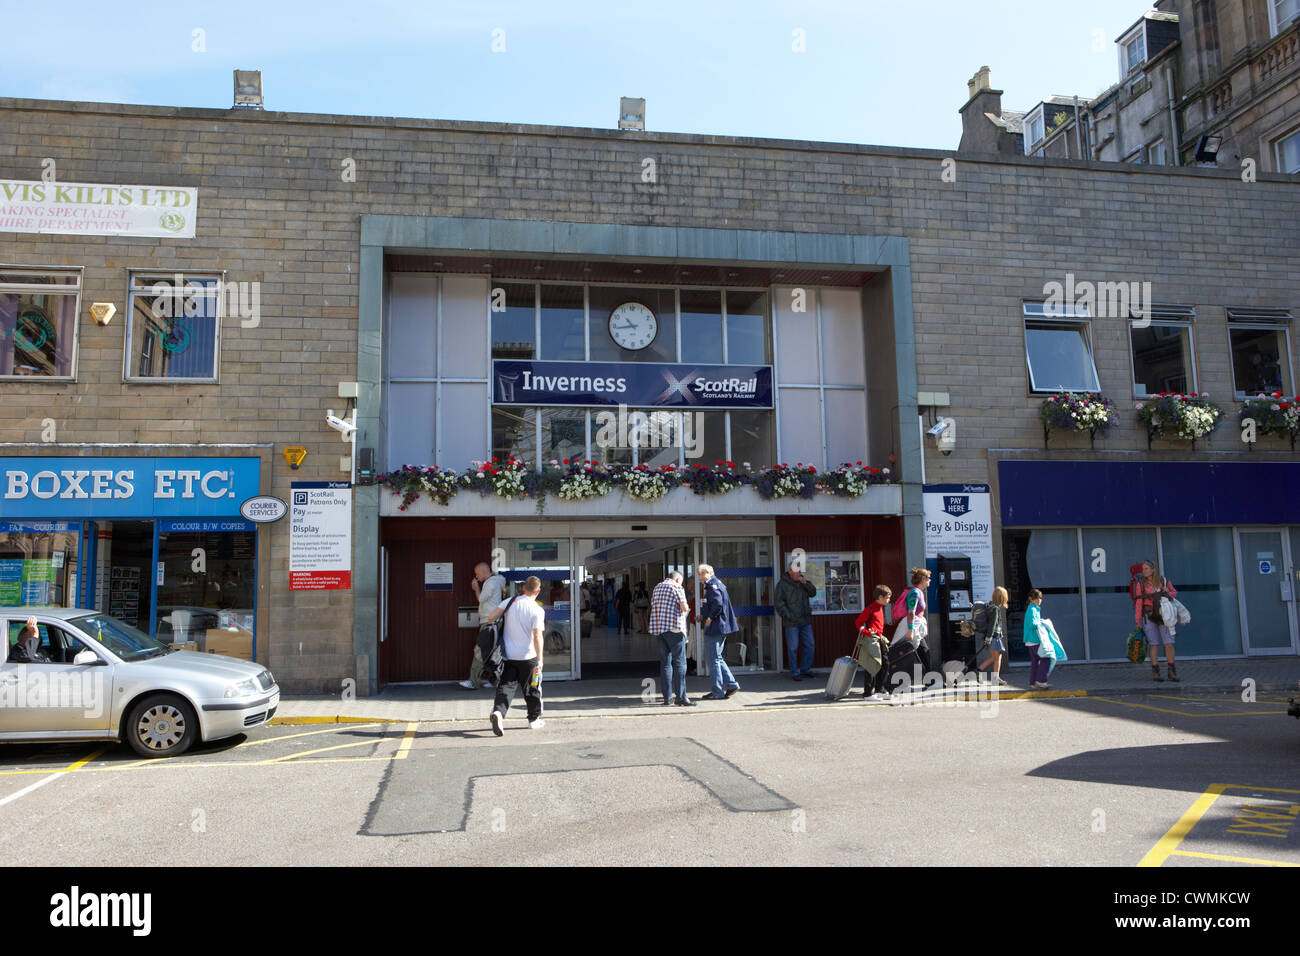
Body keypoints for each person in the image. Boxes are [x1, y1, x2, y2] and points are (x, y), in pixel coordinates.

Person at [484, 575, 546, 735]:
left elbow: (491, 618)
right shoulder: (537, 610)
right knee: (533, 688)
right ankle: (534, 719)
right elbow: (538, 636)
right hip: (529, 657)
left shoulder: (510, 602)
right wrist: (540, 660)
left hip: (508, 656)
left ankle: (498, 712)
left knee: (505, 687)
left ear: (524, 587)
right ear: (538, 590)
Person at [697, 564, 741, 700]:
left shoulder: (712, 586)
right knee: (717, 658)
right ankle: (731, 684)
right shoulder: (716, 584)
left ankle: (717, 691)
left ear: (708, 573)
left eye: (701, 574)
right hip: (720, 626)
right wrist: (703, 616)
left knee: (713, 660)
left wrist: (709, 617)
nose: (699, 577)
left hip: (716, 627)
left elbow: (717, 603)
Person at [650, 571, 693, 706]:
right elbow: (684, 607)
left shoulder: (657, 587)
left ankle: (667, 698)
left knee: (665, 664)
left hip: (660, 629)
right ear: (678, 579)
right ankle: (681, 697)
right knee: (680, 662)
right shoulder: (676, 587)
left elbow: (653, 605)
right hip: (675, 629)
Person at [461, 561, 505, 689]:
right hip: (494, 621)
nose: (476, 577)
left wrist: (476, 588)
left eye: (477, 574)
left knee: (480, 650)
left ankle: (473, 681)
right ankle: (495, 681)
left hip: (489, 621)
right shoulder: (496, 581)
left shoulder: (490, 583)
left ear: (483, 572)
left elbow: (481, 599)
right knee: (493, 652)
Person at [1134, 559, 1179, 682]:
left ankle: (1171, 671)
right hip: (1148, 615)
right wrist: (1137, 621)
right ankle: (1156, 672)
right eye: (1143, 569)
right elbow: (1138, 602)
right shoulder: (1141, 584)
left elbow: (1174, 593)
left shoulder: (1163, 581)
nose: (1144, 571)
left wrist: (1167, 591)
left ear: (1153, 569)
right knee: (1153, 644)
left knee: (1169, 643)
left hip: (1164, 615)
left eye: (1146, 568)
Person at [775, 560, 818, 680]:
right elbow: (779, 603)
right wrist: (788, 615)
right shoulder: (782, 584)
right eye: (795, 572)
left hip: (805, 621)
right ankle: (794, 672)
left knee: (810, 645)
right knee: (793, 647)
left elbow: (813, 592)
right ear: (789, 572)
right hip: (791, 622)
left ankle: (805, 669)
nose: (798, 574)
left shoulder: (803, 581)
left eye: (799, 571)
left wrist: (806, 583)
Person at [891, 568, 932, 675]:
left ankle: (929, 679)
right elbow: (911, 611)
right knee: (901, 652)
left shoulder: (919, 592)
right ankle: (888, 679)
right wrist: (911, 629)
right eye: (928, 578)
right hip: (911, 625)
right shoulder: (915, 593)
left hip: (915, 625)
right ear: (923, 579)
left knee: (923, 652)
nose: (930, 580)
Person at [854, 585, 892, 699]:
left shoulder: (880, 607)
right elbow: (858, 623)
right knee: (871, 665)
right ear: (880, 597)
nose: (889, 600)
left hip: (879, 640)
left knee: (885, 664)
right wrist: (866, 632)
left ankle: (880, 689)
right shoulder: (870, 609)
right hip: (871, 641)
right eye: (887, 597)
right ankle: (868, 693)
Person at [967, 586, 1009, 685]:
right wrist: (989, 637)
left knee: (995, 657)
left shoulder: (990, 605)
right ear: (1002, 598)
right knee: (997, 656)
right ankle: (994, 677)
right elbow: (992, 624)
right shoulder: (995, 609)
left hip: (991, 636)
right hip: (994, 637)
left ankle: (980, 671)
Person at [1024, 588, 1051, 689]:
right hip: (1035, 640)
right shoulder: (1032, 609)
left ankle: (1033, 683)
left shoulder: (1033, 608)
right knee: (1046, 658)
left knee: (1036, 662)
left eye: (1040, 598)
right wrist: (1042, 623)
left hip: (1031, 640)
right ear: (1030, 599)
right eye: (1036, 598)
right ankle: (1041, 681)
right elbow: (1032, 625)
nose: (1039, 600)